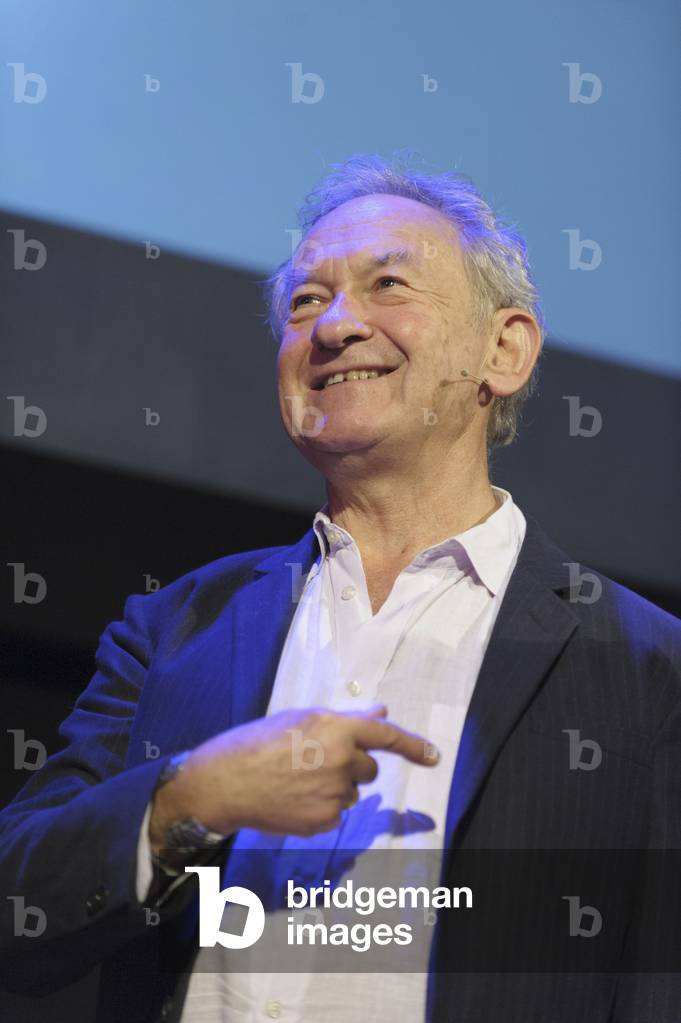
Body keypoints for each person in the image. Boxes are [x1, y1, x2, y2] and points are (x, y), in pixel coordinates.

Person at [1, 153, 680, 1023]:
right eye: (305, 301)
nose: (333, 327)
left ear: (502, 350)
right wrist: (186, 798)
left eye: (387, 283)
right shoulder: (175, 628)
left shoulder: (647, 668)